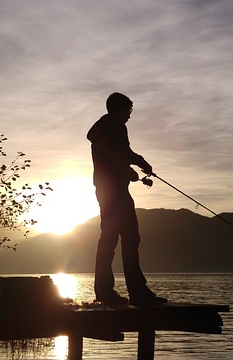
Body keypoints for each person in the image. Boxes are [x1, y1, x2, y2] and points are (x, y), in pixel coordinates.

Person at [87, 92, 168, 306]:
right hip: (115, 193)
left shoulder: (103, 129)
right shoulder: (114, 124)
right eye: (128, 110)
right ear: (119, 108)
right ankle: (137, 292)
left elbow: (112, 156)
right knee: (130, 238)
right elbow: (123, 151)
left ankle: (105, 291)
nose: (129, 116)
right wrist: (141, 161)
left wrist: (128, 171)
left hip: (107, 190)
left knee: (109, 239)